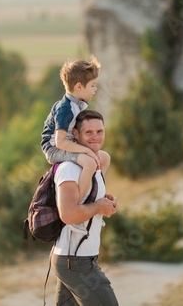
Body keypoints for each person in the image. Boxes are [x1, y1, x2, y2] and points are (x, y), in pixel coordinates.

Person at [52, 109, 119, 306]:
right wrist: (99, 205)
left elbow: (86, 201)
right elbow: (68, 214)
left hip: (77, 259)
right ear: (76, 135)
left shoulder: (93, 164)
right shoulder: (69, 168)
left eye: (100, 131)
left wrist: (104, 201)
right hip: (75, 261)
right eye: (89, 132)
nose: (95, 137)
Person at [41, 55, 110, 234]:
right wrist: (86, 151)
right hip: (54, 148)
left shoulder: (79, 104)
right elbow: (60, 141)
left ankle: (95, 194)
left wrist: (90, 151)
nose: (95, 89)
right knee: (89, 162)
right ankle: (79, 210)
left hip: (66, 144)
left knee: (104, 158)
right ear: (79, 86)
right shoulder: (66, 108)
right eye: (92, 85)